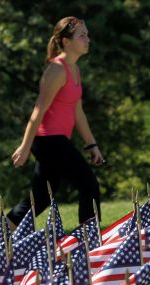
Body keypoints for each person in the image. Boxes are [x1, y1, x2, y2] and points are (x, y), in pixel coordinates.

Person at [8, 16, 103, 228]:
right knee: (88, 184)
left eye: (87, 35)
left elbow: (78, 113)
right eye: (82, 35)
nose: (88, 39)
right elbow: (38, 111)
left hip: (54, 141)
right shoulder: (57, 71)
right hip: (48, 140)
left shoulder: (74, 70)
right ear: (66, 41)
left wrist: (92, 144)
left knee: (39, 200)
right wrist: (24, 147)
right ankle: (88, 244)